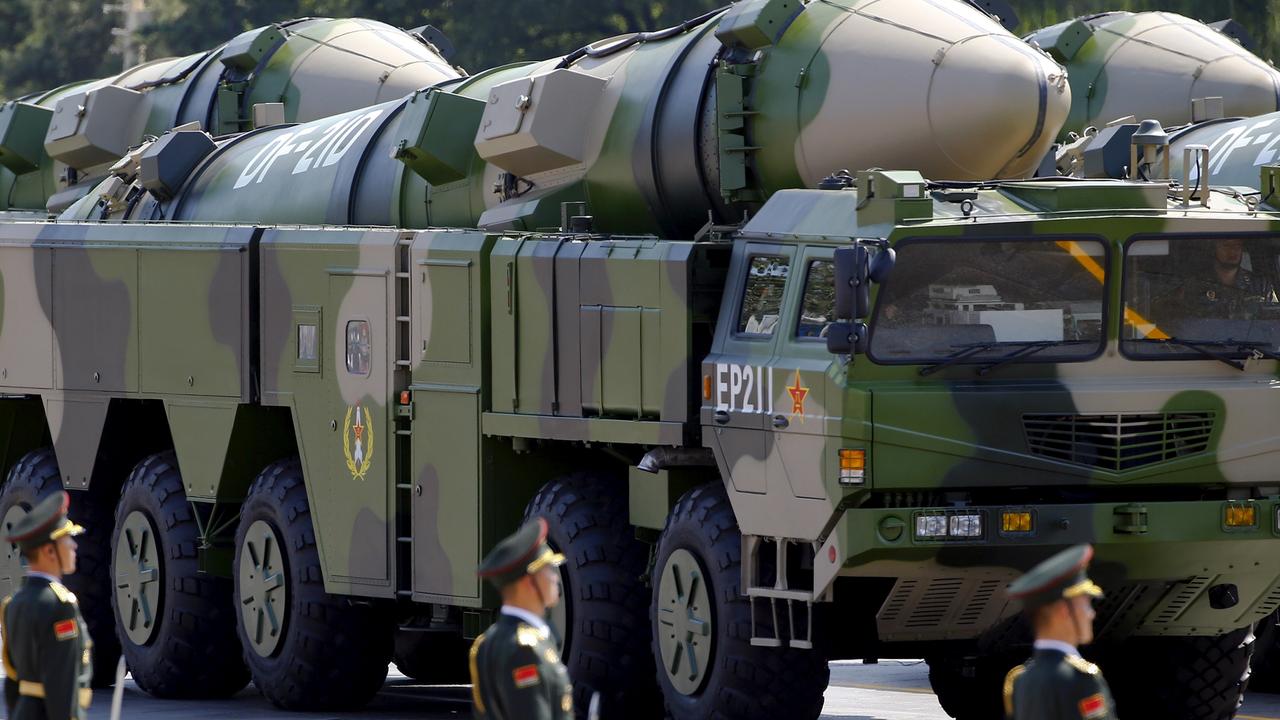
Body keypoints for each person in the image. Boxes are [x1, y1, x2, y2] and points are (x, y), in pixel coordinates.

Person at [469, 517, 572, 720]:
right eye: (549, 570)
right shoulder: (524, 650)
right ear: (529, 582)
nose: (555, 577)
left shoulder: (488, 641)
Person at [2, 491, 93, 720]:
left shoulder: (13, 603)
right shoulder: (60, 605)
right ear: (49, 551)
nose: (73, 545)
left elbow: (12, 684)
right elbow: (61, 685)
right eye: (66, 539)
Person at [1003, 544, 1116, 720]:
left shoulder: (1020, 681)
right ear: (1063, 610)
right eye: (1085, 604)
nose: (1091, 614)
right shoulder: (1080, 679)